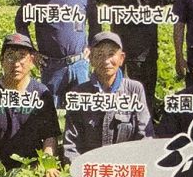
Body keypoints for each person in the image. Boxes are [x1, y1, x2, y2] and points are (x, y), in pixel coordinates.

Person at [0, 32, 61, 177]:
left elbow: (50, 136)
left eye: (22, 56)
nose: (16, 63)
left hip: (32, 173)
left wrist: (48, 166)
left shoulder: (41, 94)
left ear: (32, 61)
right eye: (10, 56)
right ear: (1, 60)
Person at [15, 0, 98, 106]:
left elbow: (95, 23)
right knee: (51, 112)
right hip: (51, 67)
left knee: (82, 111)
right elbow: (20, 23)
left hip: (80, 64)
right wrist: (31, 51)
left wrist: (92, 46)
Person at [100, 0, 168, 110]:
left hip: (147, 53)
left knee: (146, 100)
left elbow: (163, 12)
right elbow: (104, 10)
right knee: (119, 99)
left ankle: (146, 127)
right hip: (120, 53)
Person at [62, 31, 154, 160]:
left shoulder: (134, 90)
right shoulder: (78, 93)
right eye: (99, 55)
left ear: (121, 58)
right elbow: (71, 145)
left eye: (111, 54)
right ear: (91, 59)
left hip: (126, 167)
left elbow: (145, 136)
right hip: (90, 167)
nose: (106, 61)